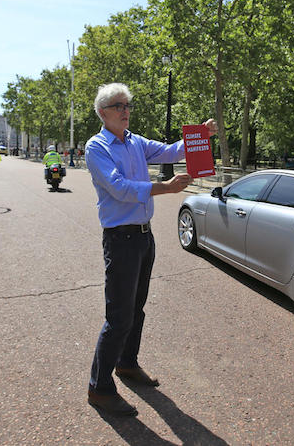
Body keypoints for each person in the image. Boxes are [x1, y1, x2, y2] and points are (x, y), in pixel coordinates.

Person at [84, 82, 217, 417]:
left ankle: (127, 364)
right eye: (119, 105)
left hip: (144, 237)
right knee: (118, 317)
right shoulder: (96, 146)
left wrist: (198, 137)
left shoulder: (135, 141)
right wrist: (165, 188)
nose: (126, 110)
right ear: (103, 112)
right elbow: (118, 188)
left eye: (128, 104)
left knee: (137, 309)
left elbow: (171, 152)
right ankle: (99, 388)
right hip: (120, 239)